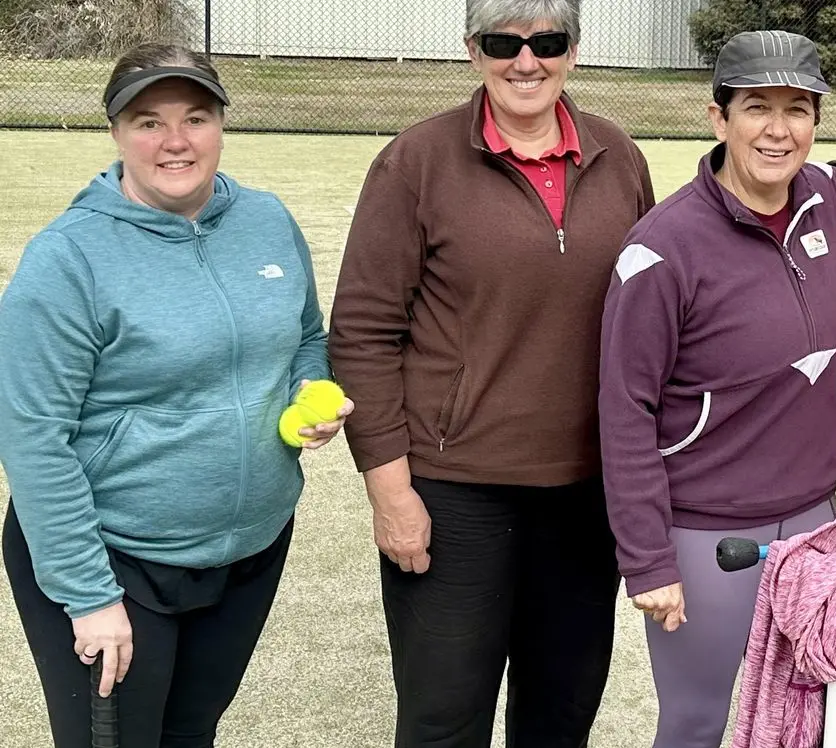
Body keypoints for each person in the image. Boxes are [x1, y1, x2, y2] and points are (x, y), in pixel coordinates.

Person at [598, 30, 836, 748]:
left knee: (807, 717)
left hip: (814, 522)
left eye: (797, 109)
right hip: (707, 534)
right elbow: (624, 410)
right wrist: (647, 559)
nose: (778, 129)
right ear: (718, 118)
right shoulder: (662, 249)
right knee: (697, 720)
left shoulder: (822, 195)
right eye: (757, 107)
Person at [325, 0, 655, 745]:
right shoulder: (415, 162)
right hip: (455, 495)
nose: (526, 62)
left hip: (585, 495)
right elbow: (363, 334)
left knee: (560, 716)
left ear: (573, 51)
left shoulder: (618, 155)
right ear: (474, 51)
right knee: (444, 719)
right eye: (504, 43)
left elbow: (651, 313)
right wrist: (391, 495)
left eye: (548, 42)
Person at [0, 43, 346, 747]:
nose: (176, 141)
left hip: (248, 549)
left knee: (191, 735)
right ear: (116, 131)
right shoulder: (68, 258)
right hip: (115, 559)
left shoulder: (266, 219)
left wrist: (308, 387)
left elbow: (307, 335)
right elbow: (32, 437)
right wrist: (89, 595)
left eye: (195, 117)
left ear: (221, 124)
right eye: (149, 121)